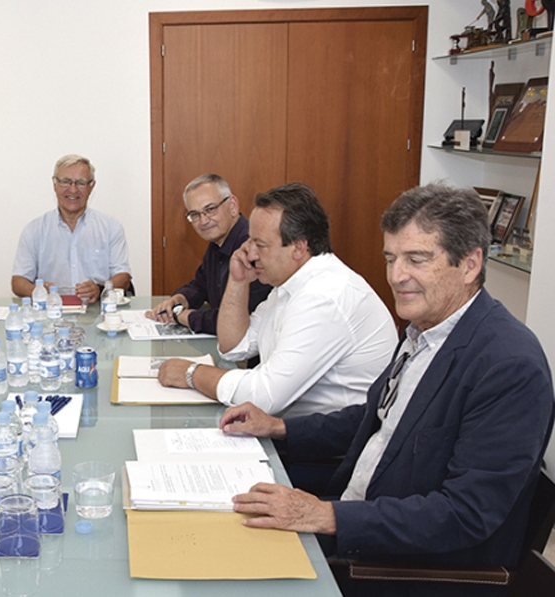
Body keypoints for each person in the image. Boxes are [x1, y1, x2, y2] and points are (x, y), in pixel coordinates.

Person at [221, 183, 554, 597]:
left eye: (416, 259)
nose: (396, 276)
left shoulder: (509, 365)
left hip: (404, 569)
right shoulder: (423, 330)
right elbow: (374, 418)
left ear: (470, 265)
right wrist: (280, 427)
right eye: (391, 259)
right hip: (359, 521)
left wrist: (327, 516)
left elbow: (465, 513)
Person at [158, 182, 396, 417]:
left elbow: (265, 397)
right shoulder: (289, 284)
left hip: (329, 438)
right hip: (294, 425)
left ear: (298, 248)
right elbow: (234, 348)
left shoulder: (324, 296)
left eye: (260, 245)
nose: (250, 254)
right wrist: (238, 281)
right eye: (250, 241)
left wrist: (192, 373)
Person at [146, 174, 271, 333]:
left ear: (232, 205)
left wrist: (181, 316)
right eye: (195, 214)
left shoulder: (253, 249)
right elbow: (201, 285)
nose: (203, 221)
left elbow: (238, 319)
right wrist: (179, 299)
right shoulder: (217, 243)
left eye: (210, 209)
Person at [11, 154, 131, 304]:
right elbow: (18, 281)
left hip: (98, 310)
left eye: (81, 183)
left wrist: (99, 289)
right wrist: (37, 291)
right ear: (55, 184)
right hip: (51, 311)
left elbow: (123, 277)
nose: (73, 190)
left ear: (91, 186)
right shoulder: (34, 230)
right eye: (65, 182)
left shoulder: (111, 227)